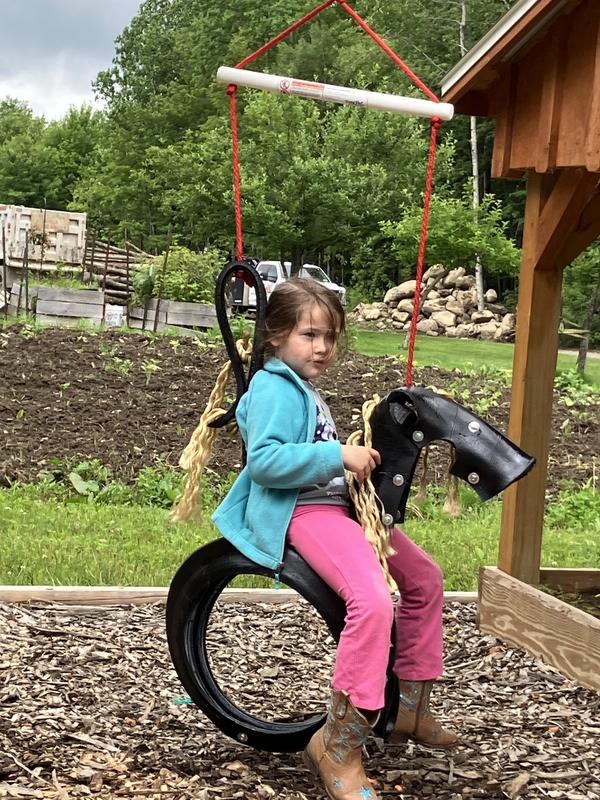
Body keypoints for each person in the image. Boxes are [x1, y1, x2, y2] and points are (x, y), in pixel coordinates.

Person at [212, 278, 459, 800]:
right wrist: (337, 457)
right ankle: (338, 744)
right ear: (274, 336)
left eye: (330, 336)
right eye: (309, 334)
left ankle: (411, 708)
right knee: (370, 602)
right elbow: (265, 461)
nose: (322, 347)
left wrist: (357, 465)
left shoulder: (299, 384)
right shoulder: (273, 388)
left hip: (336, 505)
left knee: (424, 578)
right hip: (302, 510)